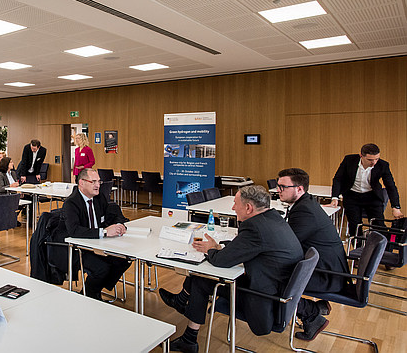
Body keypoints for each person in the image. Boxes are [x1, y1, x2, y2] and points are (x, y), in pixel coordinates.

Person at [159, 186, 303, 352]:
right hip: (276, 289)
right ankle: (182, 306)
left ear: (248, 207)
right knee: (202, 276)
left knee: (201, 278)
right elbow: (247, 248)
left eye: (235, 203)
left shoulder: (254, 228)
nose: (233, 208)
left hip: (263, 300)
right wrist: (219, 247)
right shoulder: (272, 218)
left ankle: (188, 335)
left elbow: (221, 261)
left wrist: (211, 249)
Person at [277, 168, 348, 341]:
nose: (278, 190)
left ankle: (312, 314)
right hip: (327, 268)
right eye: (278, 186)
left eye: (283, 187)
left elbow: (287, 245)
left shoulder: (304, 211)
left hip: (327, 275)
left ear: (299, 189)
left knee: (270, 280)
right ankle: (314, 309)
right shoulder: (305, 203)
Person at [61, 168, 130, 300]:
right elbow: (74, 231)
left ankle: (93, 289)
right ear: (81, 183)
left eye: (99, 181)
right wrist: (103, 232)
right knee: (101, 268)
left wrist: (120, 224)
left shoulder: (99, 198)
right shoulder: (71, 202)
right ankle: (90, 293)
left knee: (123, 260)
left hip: (98, 243)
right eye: (93, 182)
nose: (98, 185)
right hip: (78, 248)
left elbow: (113, 214)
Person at [330, 143, 402, 237]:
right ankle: (358, 249)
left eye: (377, 159)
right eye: (370, 160)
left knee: (379, 226)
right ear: (361, 156)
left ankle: (381, 249)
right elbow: (338, 178)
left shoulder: (383, 165)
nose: (374, 162)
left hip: (372, 196)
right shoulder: (349, 160)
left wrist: (396, 207)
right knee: (355, 226)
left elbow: (390, 186)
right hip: (352, 196)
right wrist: (335, 197)